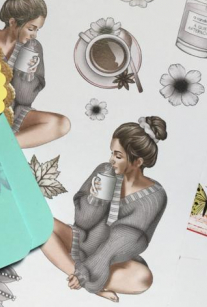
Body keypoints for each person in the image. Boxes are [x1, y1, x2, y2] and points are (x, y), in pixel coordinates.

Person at [41, 116, 168, 303]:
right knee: (40, 224)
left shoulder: (154, 197)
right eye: (111, 153)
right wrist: (96, 200)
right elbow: (83, 222)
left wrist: (88, 272)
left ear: (138, 162)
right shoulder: (105, 171)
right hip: (81, 240)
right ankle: (90, 283)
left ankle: (85, 278)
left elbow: (124, 239)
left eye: (118, 156)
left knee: (143, 278)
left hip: (111, 259)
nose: (111, 160)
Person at [0, 0, 70, 148]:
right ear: (13, 22)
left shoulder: (32, 47)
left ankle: (2, 147)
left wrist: (26, 77)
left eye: (37, 30)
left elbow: (24, 99)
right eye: (31, 28)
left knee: (62, 124)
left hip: (12, 113)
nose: (34, 35)